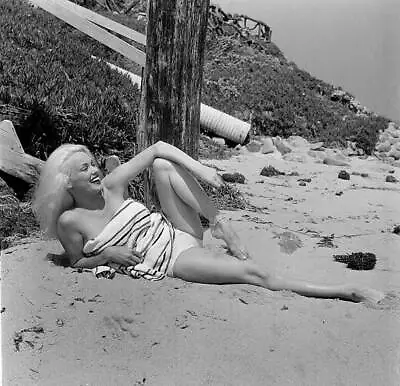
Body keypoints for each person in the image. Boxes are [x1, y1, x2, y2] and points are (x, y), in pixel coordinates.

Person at [33, 141, 383, 304]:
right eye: (85, 168)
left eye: (94, 163)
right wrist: (110, 254)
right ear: (66, 182)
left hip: (180, 231)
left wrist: (200, 169)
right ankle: (346, 292)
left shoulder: (112, 185)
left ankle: (220, 225)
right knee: (256, 276)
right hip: (173, 260)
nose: (95, 170)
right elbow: (78, 261)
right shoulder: (70, 221)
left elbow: (156, 149)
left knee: (163, 168)